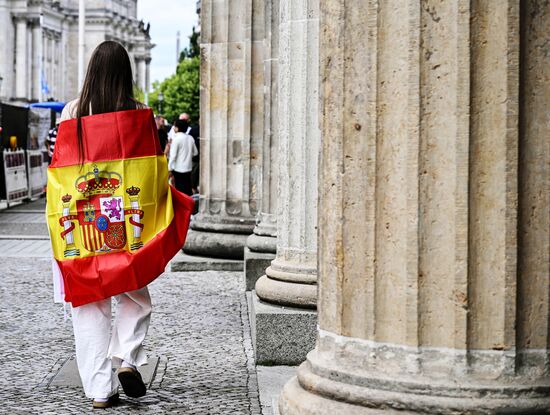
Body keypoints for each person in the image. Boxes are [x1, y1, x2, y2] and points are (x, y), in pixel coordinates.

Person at [48, 41, 193, 409]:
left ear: (91, 72)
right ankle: (126, 358)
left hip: (83, 223)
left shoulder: (72, 112)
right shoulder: (140, 113)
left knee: (88, 304)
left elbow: (59, 170)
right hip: (126, 219)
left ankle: (100, 390)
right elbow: (154, 173)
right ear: (126, 74)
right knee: (135, 295)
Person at [168, 119, 197, 196]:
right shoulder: (190, 138)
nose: (173, 128)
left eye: (174, 126)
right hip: (189, 168)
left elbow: (173, 156)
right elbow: (195, 152)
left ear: (177, 128)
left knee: (180, 191)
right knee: (188, 190)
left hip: (178, 170)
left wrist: (169, 169)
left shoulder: (176, 139)